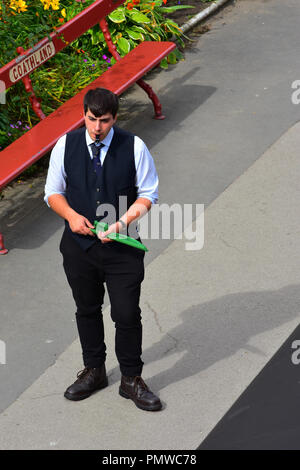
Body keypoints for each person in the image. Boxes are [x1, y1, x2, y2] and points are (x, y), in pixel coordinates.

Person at [44, 87, 162, 412]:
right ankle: (94, 371)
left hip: (123, 248)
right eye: (92, 119)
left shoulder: (134, 146)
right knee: (86, 309)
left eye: (104, 121)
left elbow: (148, 194)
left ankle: (131, 379)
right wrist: (70, 216)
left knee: (126, 314)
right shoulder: (65, 146)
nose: (97, 127)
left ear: (115, 118)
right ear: (84, 114)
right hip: (79, 247)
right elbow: (52, 192)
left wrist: (122, 223)